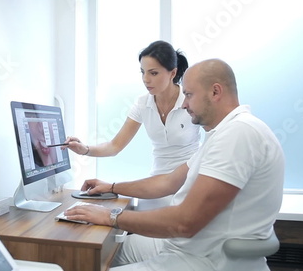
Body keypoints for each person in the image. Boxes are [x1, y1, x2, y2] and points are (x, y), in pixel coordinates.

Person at [64, 59, 285, 270]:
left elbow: (185, 223)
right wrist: (112, 187)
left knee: (93, 254)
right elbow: (169, 181)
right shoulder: (221, 133)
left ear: (216, 92)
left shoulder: (239, 133)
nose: (185, 103)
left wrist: (110, 216)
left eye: (188, 95)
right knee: (95, 252)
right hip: (186, 246)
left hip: (205, 259)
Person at [64, 41, 201, 207]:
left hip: (190, 183)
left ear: (173, 73)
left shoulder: (190, 100)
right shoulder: (143, 104)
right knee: (127, 223)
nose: (145, 79)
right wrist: (85, 149)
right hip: (156, 184)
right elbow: (115, 146)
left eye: (154, 73)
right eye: (143, 72)